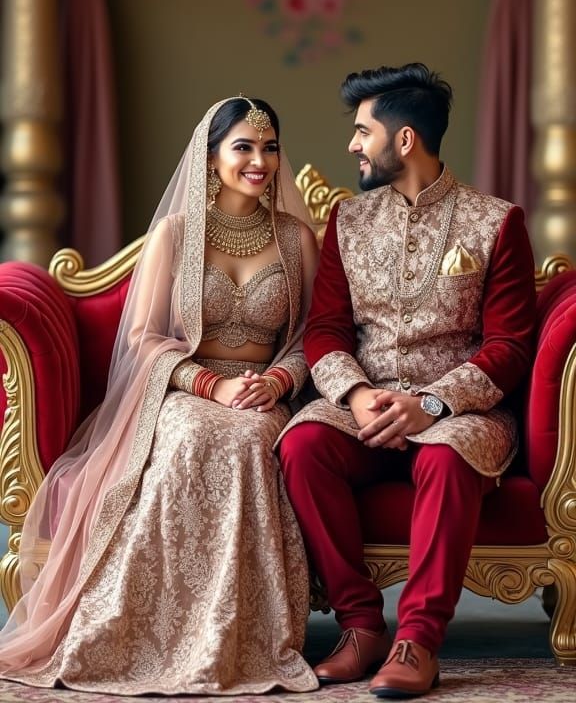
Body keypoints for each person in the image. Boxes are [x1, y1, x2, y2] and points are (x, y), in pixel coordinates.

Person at [0, 96, 319, 695]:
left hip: (261, 397)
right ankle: (152, 629)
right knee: (191, 434)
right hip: (182, 386)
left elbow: (310, 341)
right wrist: (211, 383)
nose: (260, 161)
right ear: (211, 156)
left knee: (249, 441)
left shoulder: (296, 239)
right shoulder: (176, 234)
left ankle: (233, 634)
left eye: (269, 147)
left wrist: (274, 382)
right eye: (244, 147)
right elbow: (145, 340)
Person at [278, 64, 536, 699]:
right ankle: (362, 626)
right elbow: (327, 329)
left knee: (449, 459)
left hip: (458, 411)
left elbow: (510, 345)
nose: (352, 145)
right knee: (301, 446)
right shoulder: (348, 221)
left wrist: (431, 403)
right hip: (360, 404)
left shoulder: (495, 222)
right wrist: (357, 395)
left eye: (362, 131)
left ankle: (417, 640)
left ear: (404, 141)